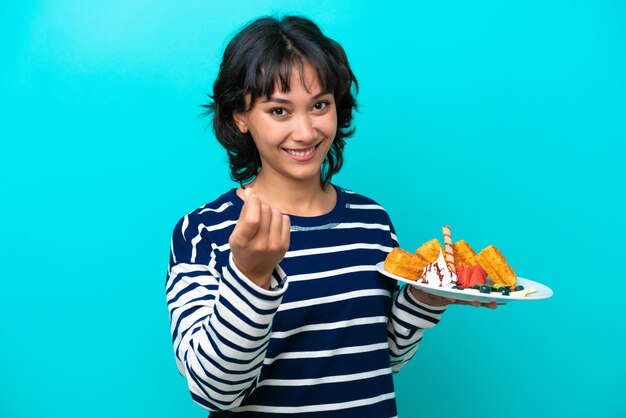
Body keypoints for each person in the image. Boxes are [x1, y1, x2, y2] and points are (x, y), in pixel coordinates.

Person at [166, 15, 496, 417]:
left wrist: (424, 297)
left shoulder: (372, 221)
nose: (305, 132)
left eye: (319, 105)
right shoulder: (205, 232)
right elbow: (215, 391)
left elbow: (381, 358)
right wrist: (251, 278)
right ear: (240, 116)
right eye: (279, 111)